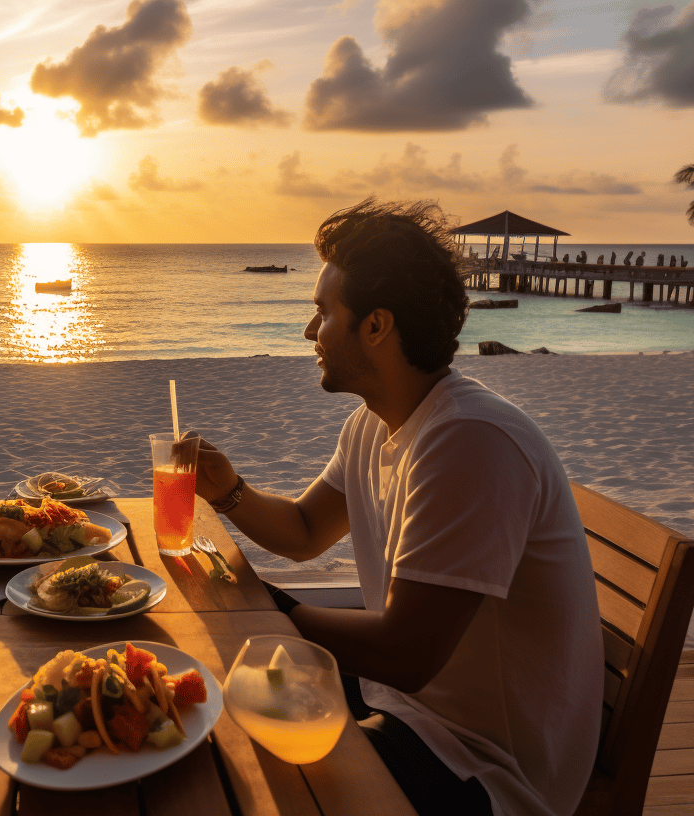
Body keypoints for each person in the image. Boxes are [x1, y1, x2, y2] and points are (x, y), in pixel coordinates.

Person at [191, 200, 603, 816]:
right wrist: (228, 490)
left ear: (377, 326)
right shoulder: (375, 424)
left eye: (324, 313)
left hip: (486, 770)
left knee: (239, 770)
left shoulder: (470, 441)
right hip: (410, 710)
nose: (311, 332)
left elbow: (407, 654)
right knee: (217, 713)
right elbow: (306, 530)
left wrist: (262, 614)